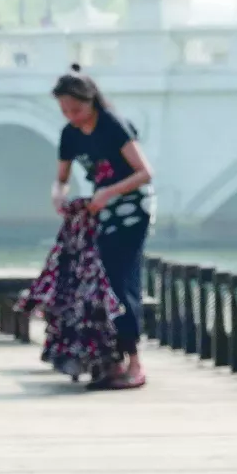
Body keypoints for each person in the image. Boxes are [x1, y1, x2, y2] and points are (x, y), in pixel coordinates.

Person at [51, 65, 154, 389]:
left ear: (92, 101)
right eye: (65, 111)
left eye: (77, 109)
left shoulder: (113, 125)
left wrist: (109, 191)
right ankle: (112, 359)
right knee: (99, 282)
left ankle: (134, 363)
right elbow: (62, 178)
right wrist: (58, 196)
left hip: (131, 209)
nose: (73, 117)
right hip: (102, 210)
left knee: (121, 281)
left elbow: (144, 172)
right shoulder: (69, 134)